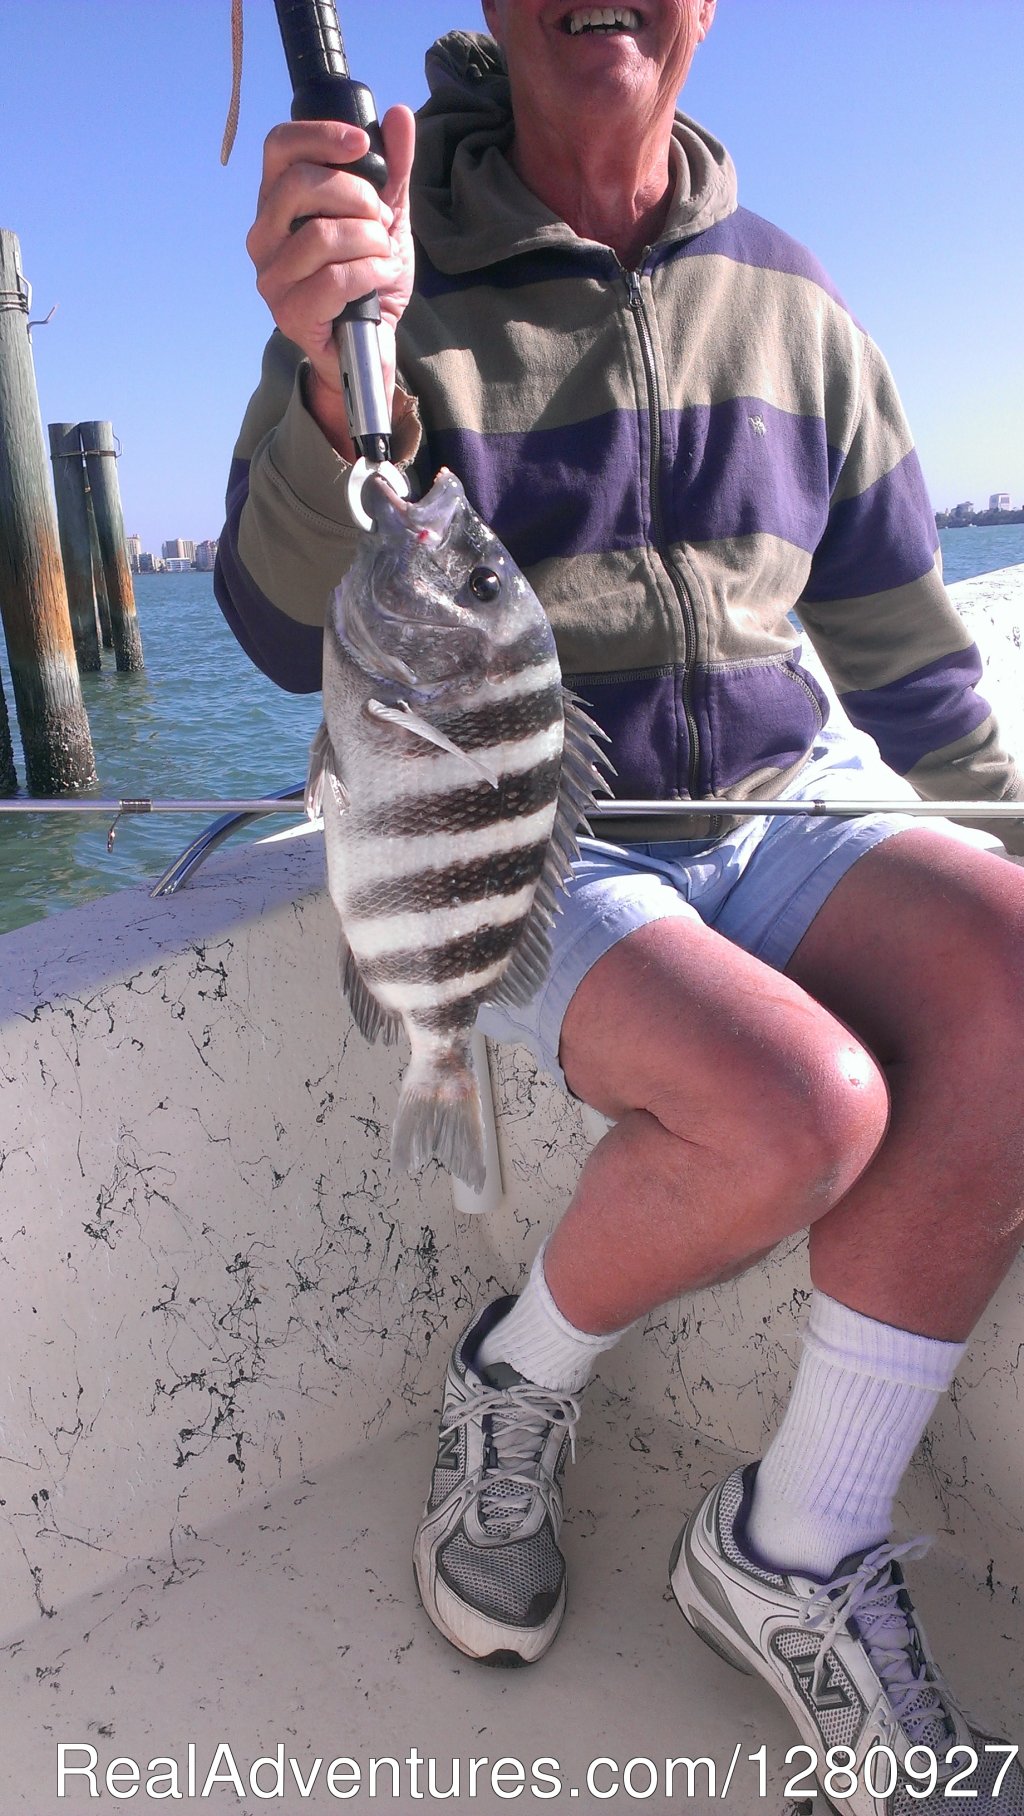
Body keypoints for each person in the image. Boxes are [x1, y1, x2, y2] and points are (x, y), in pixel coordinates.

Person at [217, 3, 1024, 1804]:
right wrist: (330, 388)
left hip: (776, 804)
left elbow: (908, 664)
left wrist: (1004, 828)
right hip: (532, 833)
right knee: (796, 1109)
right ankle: (518, 1377)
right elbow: (279, 631)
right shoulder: (388, 277)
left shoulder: (798, 303)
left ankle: (795, 1547)